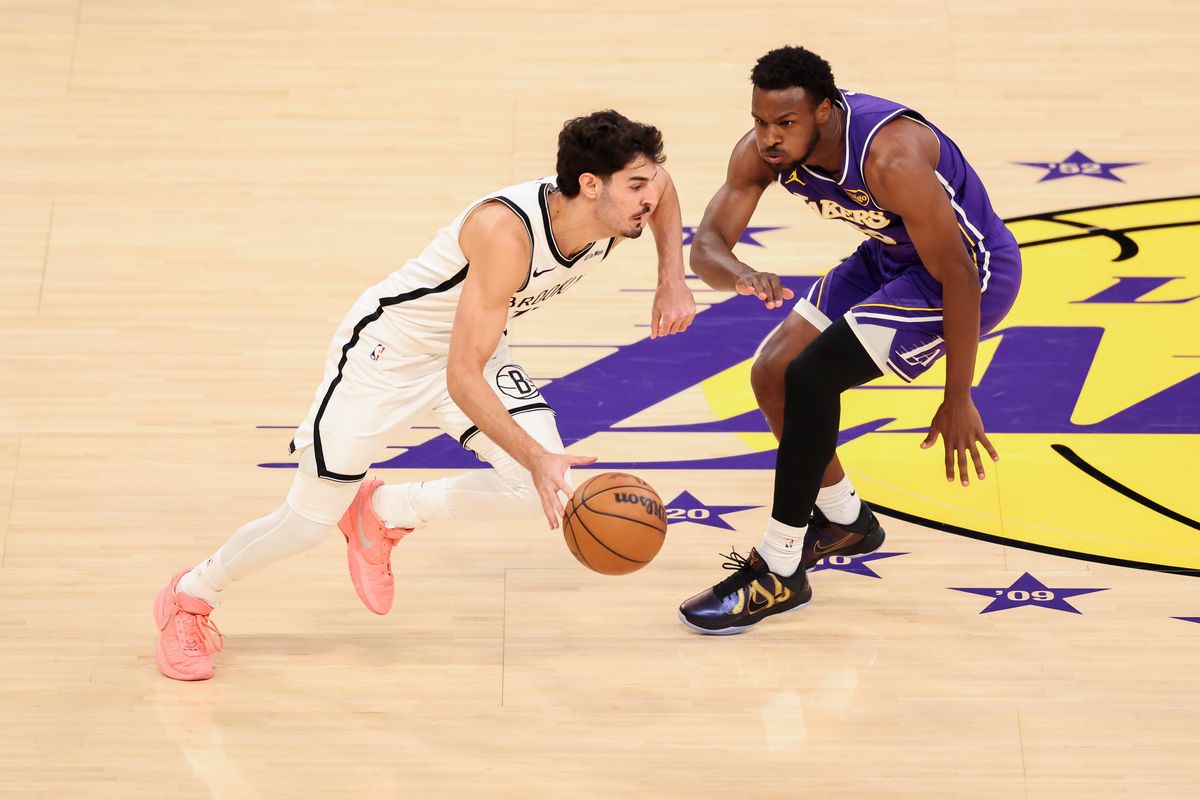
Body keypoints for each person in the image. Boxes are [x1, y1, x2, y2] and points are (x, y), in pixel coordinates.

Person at [154, 110, 697, 679]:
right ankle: (188, 596)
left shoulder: (622, 202)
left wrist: (671, 277)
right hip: (387, 357)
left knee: (545, 489)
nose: (649, 196)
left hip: (474, 349)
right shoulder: (505, 233)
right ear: (591, 185)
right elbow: (461, 379)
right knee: (308, 523)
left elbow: (665, 187)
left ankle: (384, 512)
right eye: (636, 185)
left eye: (649, 182)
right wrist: (534, 455)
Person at [678, 46, 1022, 634]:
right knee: (772, 372)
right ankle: (846, 520)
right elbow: (706, 244)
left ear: (826, 114)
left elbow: (959, 275)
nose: (769, 138)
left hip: (967, 277)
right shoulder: (765, 151)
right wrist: (740, 274)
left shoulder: (891, 158)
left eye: (785, 124)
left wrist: (958, 394)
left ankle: (780, 566)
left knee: (812, 374)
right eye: (761, 121)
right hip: (889, 256)